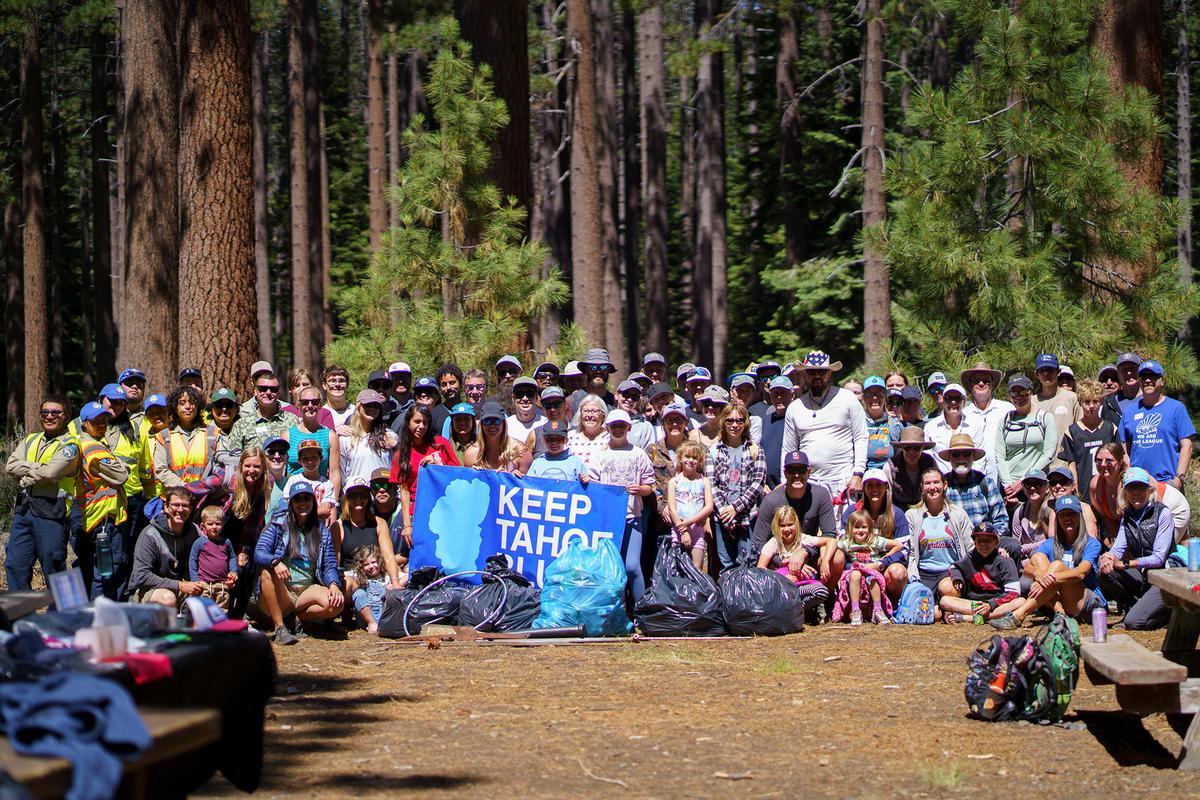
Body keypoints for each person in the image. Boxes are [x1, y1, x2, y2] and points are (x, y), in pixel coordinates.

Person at [255, 481, 345, 644]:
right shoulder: (278, 524)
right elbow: (259, 552)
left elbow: (330, 564)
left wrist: (333, 584)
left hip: (307, 590)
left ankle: (297, 617)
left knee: (336, 604)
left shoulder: (321, 530)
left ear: (313, 501)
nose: (302, 503)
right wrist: (275, 561)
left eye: (306, 498)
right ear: (291, 503)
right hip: (283, 589)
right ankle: (280, 628)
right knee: (266, 573)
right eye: (298, 499)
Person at [5, 394, 78, 590]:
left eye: (55, 412)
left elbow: (52, 472)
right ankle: (20, 616)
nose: (49, 416)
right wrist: (40, 467)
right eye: (45, 412)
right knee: (15, 566)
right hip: (24, 512)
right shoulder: (31, 439)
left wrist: (28, 473)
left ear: (67, 416)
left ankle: (69, 617)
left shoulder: (71, 445)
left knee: (55, 568)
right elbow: (10, 466)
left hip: (52, 514)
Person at [781, 351, 867, 505]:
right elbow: (788, 449)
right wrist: (785, 481)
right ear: (805, 375)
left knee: (845, 529)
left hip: (843, 481)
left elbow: (861, 437)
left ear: (830, 374)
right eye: (812, 372)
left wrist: (858, 473)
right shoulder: (795, 407)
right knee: (808, 529)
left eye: (822, 372)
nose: (817, 376)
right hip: (807, 481)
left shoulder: (847, 399)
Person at [752, 452, 842, 598]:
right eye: (791, 470)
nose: (796, 475)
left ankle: (821, 599)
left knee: (837, 557)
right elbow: (758, 543)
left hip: (809, 554)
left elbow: (830, 535)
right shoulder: (771, 501)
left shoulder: (821, 494)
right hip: (777, 560)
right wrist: (785, 563)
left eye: (801, 470)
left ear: (809, 471)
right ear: (785, 473)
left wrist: (804, 552)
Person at [1006, 495, 1106, 627]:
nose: (1067, 518)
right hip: (1062, 602)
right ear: (1057, 519)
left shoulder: (1091, 544)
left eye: (1072, 514)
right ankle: (1060, 612)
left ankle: (1019, 614)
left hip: (1089, 605)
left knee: (1057, 565)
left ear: (1080, 516)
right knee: (1038, 558)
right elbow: (1028, 569)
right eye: (1063, 515)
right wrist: (1040, 576)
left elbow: (1080, 573)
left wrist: (1047, 579)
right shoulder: (1051, 543)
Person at [588, 409, 655, 603]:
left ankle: (640, 611)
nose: (617, 429)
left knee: (632, 566)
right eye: (613, 426)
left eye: (621, 426)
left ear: (629, 428)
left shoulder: (638, 454)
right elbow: (593, 486)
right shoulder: (599, 454)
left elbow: (649, 487)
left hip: (632, 518)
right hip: (607, 521)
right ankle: (615, 611)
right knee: (610, 568)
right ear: (607, 428)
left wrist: (639, 489)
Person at [1098, 467, 1177, 630]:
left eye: (1140, 487)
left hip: (1164, 577)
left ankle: (1168, 615)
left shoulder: (1163, 513)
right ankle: (1132, 607)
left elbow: (1159, 558)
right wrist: (1107, 557)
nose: (1136, 493)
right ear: (1125, 492)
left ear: (1149, 490)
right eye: (1131, 488)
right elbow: (1118, 548)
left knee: (1133, 623)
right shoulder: (1127, 516)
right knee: (1104, 571)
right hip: (1143, 575)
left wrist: (1126, 564)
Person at [75, 402, 131, 600]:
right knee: (108, 573)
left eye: (103, 420)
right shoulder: (92, 448)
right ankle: (102, 619)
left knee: (100, 572)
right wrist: (122, 467)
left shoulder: (95, 444)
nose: (101, 424)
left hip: (97, 519)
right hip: (104, 520)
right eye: (95, 421)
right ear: (84, 424)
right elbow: (121, 476)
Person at [1089, 442, 1190, 544]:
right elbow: (1107, 519)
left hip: (1171, 507)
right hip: (1148, 520)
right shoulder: (1095, 485)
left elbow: (1160, 512)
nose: (1103, 464)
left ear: (1120, 462)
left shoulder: (1133, 477)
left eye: (1109, 461)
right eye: (1098, 461)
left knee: (1159, 549)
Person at [904, 467, 973, 615]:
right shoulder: (912, 515)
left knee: (948, 589)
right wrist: (913, 576)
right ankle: (946, 611)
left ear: (945, 485)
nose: (932, 487)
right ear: (922, 487)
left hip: (949, 572)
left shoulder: (958, 514)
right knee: (932, 615)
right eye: (927, 483)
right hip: (923, 572)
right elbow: (910, 552)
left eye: (936, 482)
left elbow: (970, 547)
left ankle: (950, 608)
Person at [707, 402, 767, 571]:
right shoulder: (713, 451)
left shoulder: (755, 449)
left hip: (747, 517)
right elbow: (711, 484)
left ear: (745, 423)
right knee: (726, 564)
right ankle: (727, 596)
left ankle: (745, 597)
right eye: (730, 421)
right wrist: (725, 512)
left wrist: (736, 508)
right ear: (723, 422)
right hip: (722, 518)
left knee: (747, 564)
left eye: (739, 421)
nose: (734, 425)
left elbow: (758, 483)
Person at [1119, 358, 1194, 488]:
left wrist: (1178, 478)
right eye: (1143, 377)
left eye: (1153, 376)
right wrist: (1129, 472)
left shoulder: (1176, 408)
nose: (1148, 380)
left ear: (1162, 380)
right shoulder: (1129, 412)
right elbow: (1124, 448)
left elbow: (1187, 446)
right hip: (1138, 484)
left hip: (1168, 482)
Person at [839, 468, 909, 600]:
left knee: (898, 572)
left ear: (886, 487)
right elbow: (842, 545)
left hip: (884, 566)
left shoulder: (897, 514)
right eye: (870, 485)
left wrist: (880, 564)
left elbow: (904, 550)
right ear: (864, 488)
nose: (874, 489)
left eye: (878, 485)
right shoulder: (851, 512)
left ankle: (893, 604)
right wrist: (855, 567)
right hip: (855, 567)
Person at [391, 405, 461, 535]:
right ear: (408, 422)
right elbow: (404, 492)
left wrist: (438, 463)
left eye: (425, 422)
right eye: (417, 421)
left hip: (443, 510)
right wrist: (407, 525)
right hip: (416, 513)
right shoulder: (400, 455)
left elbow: (456, 477)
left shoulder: (441, 444)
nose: (421, 426)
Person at [939, 522, 1023, 627]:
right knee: (944, 601)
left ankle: (968, 618)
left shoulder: (1005, 562)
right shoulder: (970, 557)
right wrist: (958, 577)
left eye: (988, 540)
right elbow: (954, 566)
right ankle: (988, 616)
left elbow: (1014, 592)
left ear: (996, 542)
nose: (983, 544)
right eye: (979, 541)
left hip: (996, 604)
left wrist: (990, 604)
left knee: (1020, 602)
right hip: (972, 603)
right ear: (974, 542)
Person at [129, 487, 201, 608]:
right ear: (166, 507)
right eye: (175, 505)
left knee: (208, 595)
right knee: (168, 599)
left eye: (185, 505)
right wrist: (179, 585)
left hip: (182, 587)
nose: (180, 510)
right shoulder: (150, 534)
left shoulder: (194, 531)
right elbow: (141, 576)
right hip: (148, 591)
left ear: (191, 508)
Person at [330, 476, 402, 595]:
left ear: (368, 498)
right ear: (347, 498)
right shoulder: (338, 526)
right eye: (354, 495)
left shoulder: (379, 523)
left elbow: (389, 557)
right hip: (352, 578)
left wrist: (395, 582)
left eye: (363, 495)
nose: (359, 499)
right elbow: (335, 563)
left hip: (377, 574)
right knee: (347, 584)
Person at [995, 374, 1056, 510]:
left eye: (1023, 392)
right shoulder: (1005, 420)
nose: (1019, 397)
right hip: (1009, 487)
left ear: (1031, 392)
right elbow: (999, 455)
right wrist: (1008, 485)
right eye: (1014, 393)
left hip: (1035, 484)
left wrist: (1024, 480)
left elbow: (1049, 454)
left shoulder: (1045, 418)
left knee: (1036, 525)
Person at [833, 509, 902, 625]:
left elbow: (898, 545)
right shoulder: (847, 542)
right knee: (855, 574)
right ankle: (855, 610)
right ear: (850, 529)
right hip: (855, 571)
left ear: (869, 528)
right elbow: (836, 547)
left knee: (873, 578)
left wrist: (885, 558)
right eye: (856, 527)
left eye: (864, 527)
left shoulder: (874, 541)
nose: (860, 530)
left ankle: (877, 609)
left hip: (871, 570)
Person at [1057, 378, 1118, 503]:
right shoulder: (1072, 431)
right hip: (1084, 492)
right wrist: (1075, 488)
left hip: (1108, 491)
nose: (1091, 406)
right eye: (1087, 402)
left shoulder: (1110, 428)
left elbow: (1120, 459)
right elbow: (1071, 464)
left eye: (1095, 401)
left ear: (1101, 402)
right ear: (1080, 402)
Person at [153, 386, 220, 498]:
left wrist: (200, 488)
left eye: (192, 402)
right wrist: (184, 487)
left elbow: (219, 466)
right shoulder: (164, 436)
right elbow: (161, 469)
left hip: (205, 497)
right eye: (182, 403)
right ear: (175, 407)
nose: (188, 407)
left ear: (198, 407)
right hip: (176, 499)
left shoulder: (213, 433)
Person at [223, 447, 267, 618]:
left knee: (249, 573)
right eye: (248, 465)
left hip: (243, 542)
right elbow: (197, 487)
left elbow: (253, 526)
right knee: (236, 574)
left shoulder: (262, 489)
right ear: (241, 465)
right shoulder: (227, 481)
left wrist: (244, 551)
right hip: (220, 539)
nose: (251, 470)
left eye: (256, 466)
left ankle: (238, 620)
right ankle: (225, 619)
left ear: (263, 467)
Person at [941, 433, 1008, 536]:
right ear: (949, 457)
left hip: (984, 543)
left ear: (973, 456)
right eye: (956, 454)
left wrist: (990, 541)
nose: (961, 458)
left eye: (966, 454)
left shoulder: (986, 483)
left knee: (1013, 546)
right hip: (952, 544)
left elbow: (1001, 521)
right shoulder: (941, 485)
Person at [757, 505, 835, 591]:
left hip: (801, 583)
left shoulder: (803, 539)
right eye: (782, 526)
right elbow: (760, 570)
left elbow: (831, 541)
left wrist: (825, 562)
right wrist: (781, 577)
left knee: (820, 590)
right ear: (776, 527)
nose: (786, 529)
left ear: (796, 524)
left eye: (790, 525)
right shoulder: (774, 543)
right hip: (780, 585)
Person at [960, 361, 1014, 484]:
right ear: (970, 385)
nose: (981, 383)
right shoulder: (963, 414)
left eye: (986, 381)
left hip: (1005, 481)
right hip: (972, 482)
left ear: (992, 384)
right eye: (976, 381)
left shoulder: (1007, 410)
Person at [283, 386, 341, 499]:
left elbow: (334, 473)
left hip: (320, 495)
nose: (310, 406)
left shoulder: (330, 436)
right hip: (294, 497)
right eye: (305, 402)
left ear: (320, 405)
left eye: (315, 402)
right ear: (298, 405)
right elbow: (282, 472)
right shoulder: (287, 436)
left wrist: (333, 503)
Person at [926, 383, 992, 478]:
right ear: (943, 401)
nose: (953, 402)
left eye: (958, 398)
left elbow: (979, 461)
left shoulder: (975, 425)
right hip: (942, 485)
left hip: (971, 483)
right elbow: (929, 460)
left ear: (964, 401)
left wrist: (974, 482)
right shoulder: (930, 427)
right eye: (948, 398)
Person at [666, 440, 714, 570]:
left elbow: (709, 506)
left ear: (699, 461)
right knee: (676, 568)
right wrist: (683, 530)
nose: (691, 460)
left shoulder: (704, 481)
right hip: (679, 529)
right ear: (680, 458)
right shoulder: (674, 482)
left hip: (697, 528)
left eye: (694, 458)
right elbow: (672, 508)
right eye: (687, 456)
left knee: (696, 568)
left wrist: (690, 522)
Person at [230, 366, 300, 453]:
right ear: (256, 391)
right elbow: (233, 460)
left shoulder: (292, 421)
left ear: (278, 392)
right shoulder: (241, 425)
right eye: (263, 389)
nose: (268, 393)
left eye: (273, 389)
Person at [338, 390, 399, 484]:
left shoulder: (389, 436)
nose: (372, 409)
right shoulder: (346, 438)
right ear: (358, 407)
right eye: (368, 405)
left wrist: (397, 446)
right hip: (357, 495)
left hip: (384, 492)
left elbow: (401, 466)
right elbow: (341, 474)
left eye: (376, 406)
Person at [187, 504, 238, 610]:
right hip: (204, 584)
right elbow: (193, 560)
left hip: (222, 584)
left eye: (218, 524)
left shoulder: (226, 542)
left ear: (222, 524)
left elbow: (232, 557)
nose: (214, 527)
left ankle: (218, 626)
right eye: (210, 524)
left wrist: (233, 571)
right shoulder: (200, 542)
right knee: (203, 608)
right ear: (203, 526)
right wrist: (194, 579)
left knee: (222, 608)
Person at [280, 440, 338, 525]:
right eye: (305, 458)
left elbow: (326, 510)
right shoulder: (293, 480)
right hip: (296, 528)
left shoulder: (327, 484)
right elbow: (286, 507)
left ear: (321, 458)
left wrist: (300, 511)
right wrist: (318, 511)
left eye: (314, 458)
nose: (310, 462)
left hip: (318, 529)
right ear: (299, 460)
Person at [1032, 353, 1080, 454]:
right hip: (1037, 465)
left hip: (1066, 463)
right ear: (1036, 374)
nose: (1046, 374)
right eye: (1042, 370)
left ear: (1058, 372)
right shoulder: (1031, 402)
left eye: (1050, 370)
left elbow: (1081, 432)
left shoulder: (1071, 398)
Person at [466, 401, 531, 473]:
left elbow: (529, 483)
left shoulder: (521, 452)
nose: (492, 425)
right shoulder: (471, 454)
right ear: (481, 424)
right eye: (487, 421)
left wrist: (513, 479)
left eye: (497, 420)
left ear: (504, 423)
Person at [350, 544, 395, 634]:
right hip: (366, 618)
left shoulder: (386, 576)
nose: (371, 566)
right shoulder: (358, 576)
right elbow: (344, 577)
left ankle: (383, 624)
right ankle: (372, 623)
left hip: (384, 615)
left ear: (379, 561)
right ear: (361, 567)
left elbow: (407, 576)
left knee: (391, 593)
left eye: (373, 562)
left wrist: (394, 584)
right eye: (366, 564)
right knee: (358, 593)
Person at [888, 427, 937, 508]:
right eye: (907, 447)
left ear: (922, 448)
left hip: (925, 508)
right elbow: (888, 497)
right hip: (898, 510)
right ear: (902, 448)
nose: (911, 452)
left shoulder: (930, 463)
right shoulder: (890, 466)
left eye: (916, 448)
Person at [759, 376, 794, 489]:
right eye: (775, 393)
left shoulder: (797, 420)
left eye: (783, 393)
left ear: (792, 395)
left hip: (790, 485)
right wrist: (761, 483)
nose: (779, 397)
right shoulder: (764, 421)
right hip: (766, 488)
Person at [861, 376, 901, 472]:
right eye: (870, 394)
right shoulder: (858, 422)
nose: (874, 397)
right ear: (863, 397)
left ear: (885, 397)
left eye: (879, 393)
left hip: (889, 475)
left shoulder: (894, 424)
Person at [1011, 469, 1051, 560]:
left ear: (1047, 488)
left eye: (1038, 483)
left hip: (1047, 561)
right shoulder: (1020, 511)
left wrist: (1024, 549)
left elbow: (1053, 540)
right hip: (1024, 566)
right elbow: (1015, 543)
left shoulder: (1052, 510)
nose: (1032, 488)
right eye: (1028, 484)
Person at [567, 395, 611, 468]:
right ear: (580, 414)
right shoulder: (571, 436)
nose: (590, 415)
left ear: (603, 415)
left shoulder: (609, 438)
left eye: (595, 411)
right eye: (586, 411)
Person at [614, 379, 656, 449]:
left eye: (634, 397)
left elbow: (649, 454)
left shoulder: (645, 426)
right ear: (616, 395)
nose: (630, 400)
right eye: (626, 394)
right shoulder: (606, 421)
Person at [209, 387, 241, 479]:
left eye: (229, 405)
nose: (224, 409)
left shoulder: (244, 430)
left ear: (236, 409)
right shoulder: (204, 432)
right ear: (212, 409)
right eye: (219, 405)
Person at [506, 376, 547, 445]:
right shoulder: (505, 425)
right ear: (513, 398)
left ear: (536, 398)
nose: (525, 398)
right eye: (520, 394)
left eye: (529, 394)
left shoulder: (545, 423)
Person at [728, 374, 763, 444]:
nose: (743, 394)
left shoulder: (755, 421)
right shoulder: (721, 416)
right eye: (739, 390)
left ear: (752, 395)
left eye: (748, 391)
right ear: (731, 392)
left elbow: (753, 445)